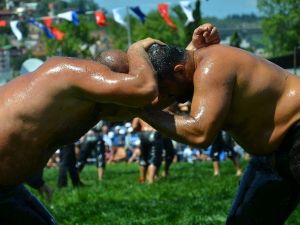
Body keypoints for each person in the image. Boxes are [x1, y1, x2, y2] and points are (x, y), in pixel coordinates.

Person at [0, 23, 220, 224]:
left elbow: (153, 98)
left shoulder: (93, 107)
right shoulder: (65, 74)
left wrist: (191, 53)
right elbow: (144, 89)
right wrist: (137, 48)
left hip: (7, 189)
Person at [136, 36, 300, 224]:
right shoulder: (194, 66)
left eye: (165, 90)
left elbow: (200, 133)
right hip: (275, 153)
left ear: (179, 71)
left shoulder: (210, 66)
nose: (165, 98)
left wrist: (141, 110)